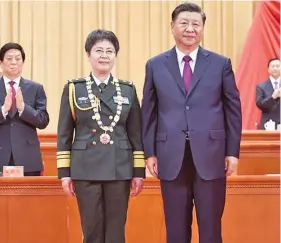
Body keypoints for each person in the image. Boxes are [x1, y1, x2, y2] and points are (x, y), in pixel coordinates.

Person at [141, 3, 242, 243]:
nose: (190, 29)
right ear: (172, 27)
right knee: (175, 230)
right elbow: (149, 112)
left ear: (203, 28)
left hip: (212, 155)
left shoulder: (220, 63)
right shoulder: (155, 65)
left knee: (210, 229)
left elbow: (233, 110)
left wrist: (232, 152)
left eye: (196, 24)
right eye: (184, 23)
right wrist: (150, 153)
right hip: (170, 155)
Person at [57, 29, 145, 243]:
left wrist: (138, 172)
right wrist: (64, 173)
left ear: (115, 55)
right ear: (88, 55)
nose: (104, 55)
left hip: (119, 167)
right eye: (99, 51)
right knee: (92, 229)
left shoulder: (127, 90)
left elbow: (136, 133)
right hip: (85, 168)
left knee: (116, 231)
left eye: (110, 51)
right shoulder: (73, 89)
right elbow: (65, 133)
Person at [0, 42, 49, 176]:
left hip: (27, 158)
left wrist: (23, 109)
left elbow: (43, 121)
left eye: (18, 58)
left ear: (23, 62)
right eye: (9, 59)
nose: (13, 62)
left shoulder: (35, 88)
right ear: (1, 62)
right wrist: (3, 109)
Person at [256, 58, 280, 129]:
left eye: (277, 66)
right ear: (268, 70)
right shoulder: (261, 86)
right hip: (268, 124)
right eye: (273, 66)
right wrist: (273, 97)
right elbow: (260, 104)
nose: (275, 68)